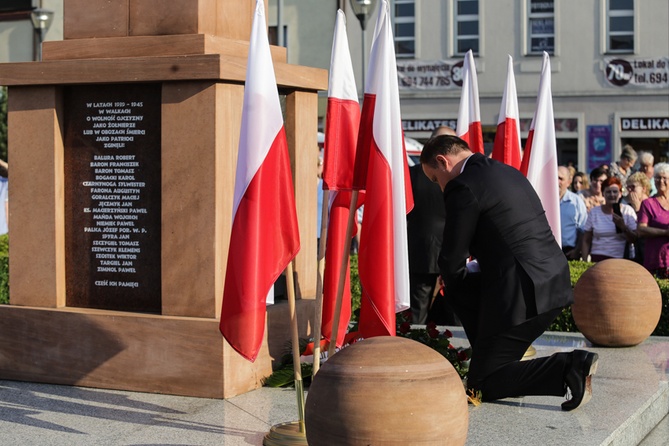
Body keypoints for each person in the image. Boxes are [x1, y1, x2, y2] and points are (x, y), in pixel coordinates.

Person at [420, 135, 598, 411]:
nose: (438, 186)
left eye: (435, 179)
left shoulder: (462, 186)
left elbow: (452, 257)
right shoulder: (507, 172)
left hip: (521, 293)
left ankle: (568, 366)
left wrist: (455, 291)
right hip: (553, 282)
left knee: (481, 384)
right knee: (495, 367)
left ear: (443, 162)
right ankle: (494, 354)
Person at [407, 126, 457, 325]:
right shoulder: (459, 175)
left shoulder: (410, 175)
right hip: (452, 249)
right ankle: (456, 351)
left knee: (418, 311)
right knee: (455, 309)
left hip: (421, 250)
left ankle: (416, 348)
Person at [580, 176, 637, 262]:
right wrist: (584, 262)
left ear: (620, 194)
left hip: (620, 259)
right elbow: (586, 239)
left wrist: (623, 227)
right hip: (598, 258)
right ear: (603, 193)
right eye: (608, 192)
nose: (612, 195)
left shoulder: (627, 211)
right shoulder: (594, 212)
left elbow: (635, 239)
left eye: (615, 192)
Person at [637, 162, 669, 278]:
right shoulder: (648, 203)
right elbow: (641, 229)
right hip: (655, 260)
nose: (661, 181)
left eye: (665, 178)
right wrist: (665, 232)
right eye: (658, 178)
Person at [558, 166, 587, 260]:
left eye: (560, 178)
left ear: (568, 182)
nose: (557, 181)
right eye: (555, 177)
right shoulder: (544, 199)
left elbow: (583, 230)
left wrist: (577, 250)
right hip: (547, 251)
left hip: (569, 252)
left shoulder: (576, 202)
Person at [623, 172, 651, 264]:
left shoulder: (651, 204)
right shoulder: (626, 205)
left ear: (643, 188)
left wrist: (638, 209)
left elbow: (644, 229)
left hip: (646, 251)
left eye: (633, 187)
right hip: (631, 253)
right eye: (628, 187)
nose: (630, 190)